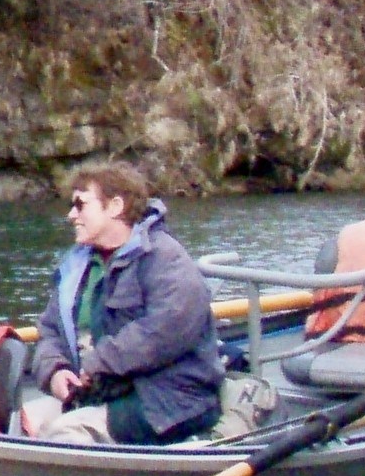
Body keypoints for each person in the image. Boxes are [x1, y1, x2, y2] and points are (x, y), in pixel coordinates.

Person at [20, 162, 223, 445]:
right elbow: (50, 330)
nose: (71, 215)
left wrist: (96, 364)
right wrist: (55, 371)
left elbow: (165, 330)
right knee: (23, 422)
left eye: (80, 205)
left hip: (171, 400)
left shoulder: (165, 258)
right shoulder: (77, 266)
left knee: (65, 433)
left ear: (115, 206)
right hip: (101, 392)